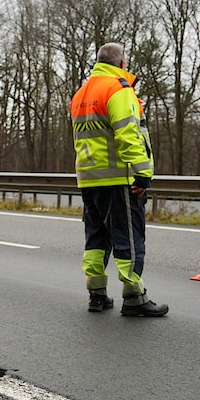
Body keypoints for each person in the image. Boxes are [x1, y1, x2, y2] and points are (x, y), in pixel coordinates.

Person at [70, 42, 167, 317]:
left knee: (96, 239)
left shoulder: (81, 94)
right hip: (118, 177)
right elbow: (128, 135)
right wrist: (142, 173)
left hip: (89, 177)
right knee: (129, 239)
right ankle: (135, 297)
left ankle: (97, 295)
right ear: (122, 62)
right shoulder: (118, 89)